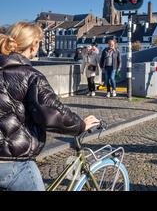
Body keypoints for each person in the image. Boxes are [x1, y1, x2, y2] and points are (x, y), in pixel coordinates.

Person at [0, 22, 99, 191]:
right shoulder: (30, 75)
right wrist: (80, 125)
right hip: (12, 163)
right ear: (33, 45)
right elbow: (54, 113)